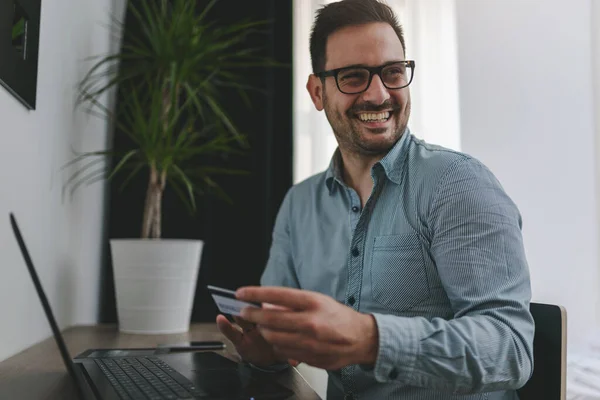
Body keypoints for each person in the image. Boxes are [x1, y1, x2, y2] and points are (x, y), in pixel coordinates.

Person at [216, 0, 535, 398]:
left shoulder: (459, 184)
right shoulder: (299, 205)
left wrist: (370, 338)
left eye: (392, 72)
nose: (379, 94)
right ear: (318, 92)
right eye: (353, 77)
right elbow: (282, 336)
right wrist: (268, 352)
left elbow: (510, 349)